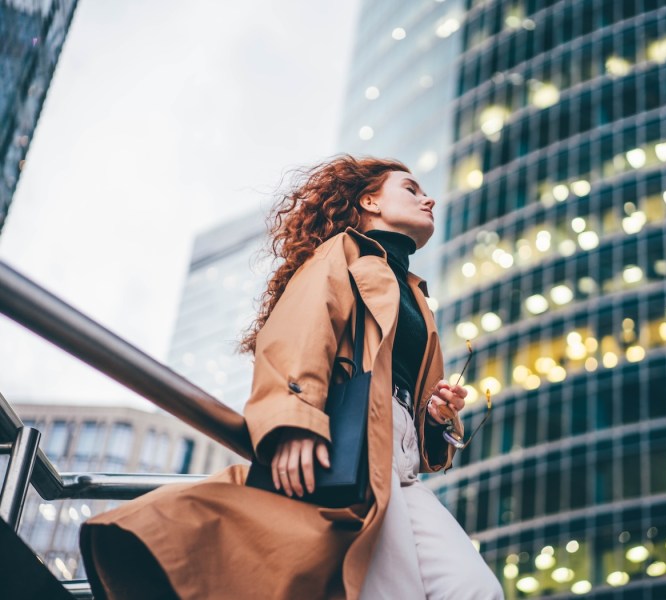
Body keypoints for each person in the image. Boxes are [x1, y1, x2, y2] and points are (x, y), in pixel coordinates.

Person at [79, 155, 503, 599]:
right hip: (355, 447)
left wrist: (436, 417)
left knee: (473, 588)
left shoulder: (415, 290)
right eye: (412, 189)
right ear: (370, 200)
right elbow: (300, 329)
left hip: (403, 465)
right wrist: (294, 419)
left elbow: (403, 390)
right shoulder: (342, 253)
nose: (428, 198)